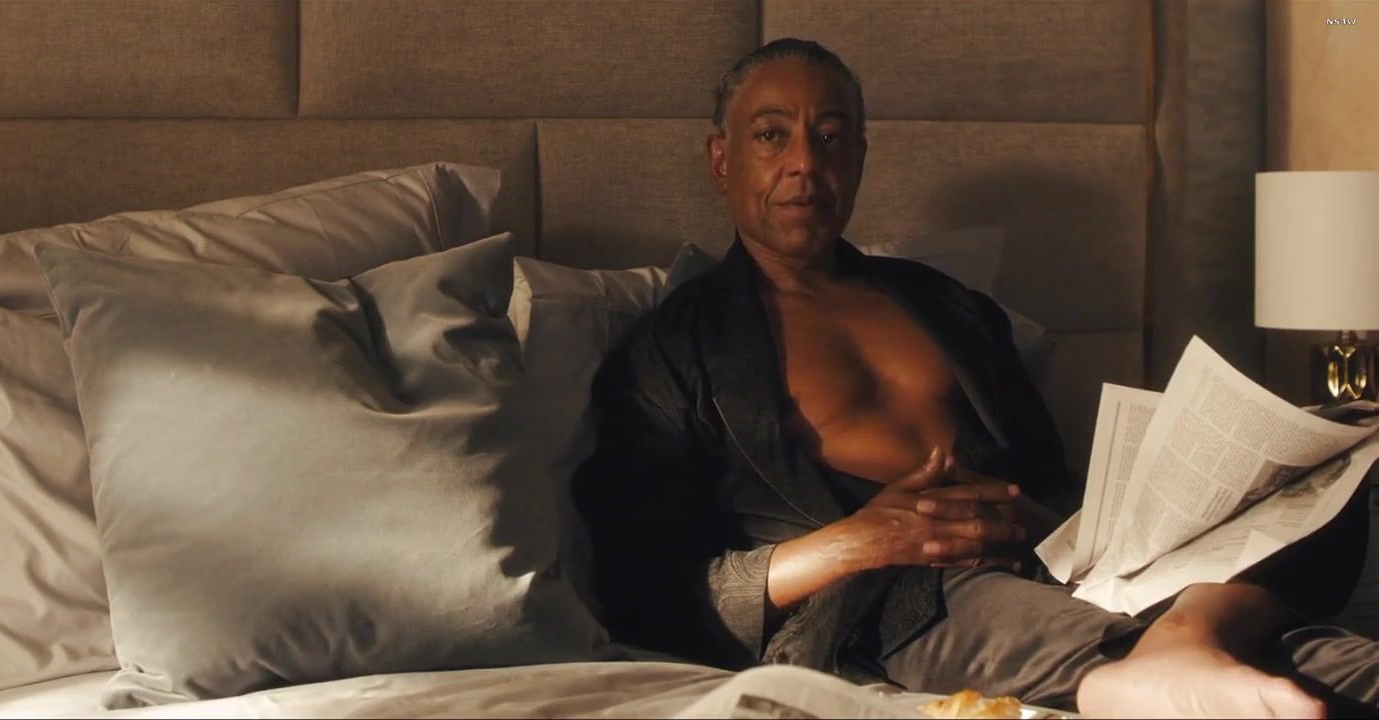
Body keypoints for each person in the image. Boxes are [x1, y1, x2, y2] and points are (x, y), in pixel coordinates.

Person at [573, 38, 1379, 718]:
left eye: (832, 136)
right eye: (771, 136)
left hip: (1053, 566)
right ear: (721, 160)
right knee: (1282, 677)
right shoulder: (672, 351)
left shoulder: (949, 307)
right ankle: (1165, 658)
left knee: (1331, 493)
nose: (805, 163)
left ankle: (1184, 639)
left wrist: (1041, 519)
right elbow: (650, 593)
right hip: (897, 601)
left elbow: (1047, 480)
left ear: (860, 156)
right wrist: (861, 542)